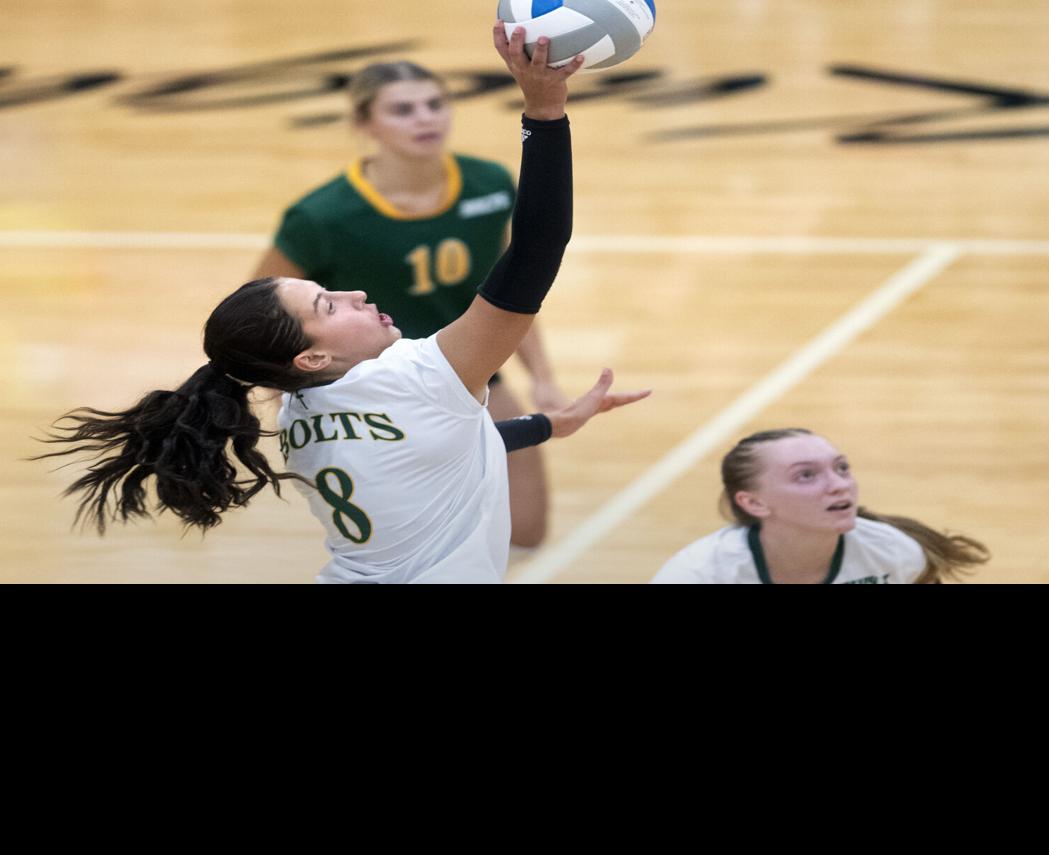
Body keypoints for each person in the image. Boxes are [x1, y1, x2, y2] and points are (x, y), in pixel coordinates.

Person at [36, 27, 649, 584]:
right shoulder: (421, 375)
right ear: (311, 355)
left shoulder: (302, 415)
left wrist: (548, 423)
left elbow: (435, 440)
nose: (355, 293)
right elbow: (538, 248)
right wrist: (544, 111)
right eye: (329, 305)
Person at [251, 58, 564, 549]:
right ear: (364, 124)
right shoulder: (322, 216)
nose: (425, 118)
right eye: (402, 109)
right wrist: (283, 396)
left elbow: (512, 289)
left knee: (526, 531)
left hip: (469, 369)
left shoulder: (489, 184)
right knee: (415, 541)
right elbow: (261, 311)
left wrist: (542, 375)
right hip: (369, 395)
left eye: (435, 104)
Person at [651, 429, 989, 584]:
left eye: (841, 468)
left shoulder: (895, 554)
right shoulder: (698, 575)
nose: (839, 484)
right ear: (754, 502)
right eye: (806, 476)